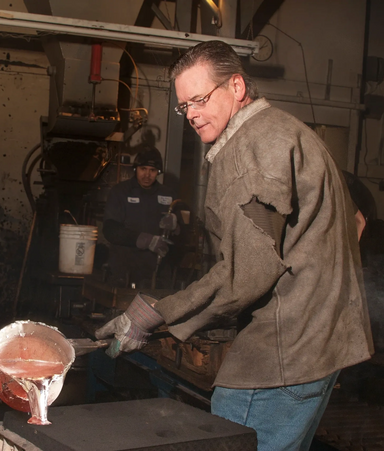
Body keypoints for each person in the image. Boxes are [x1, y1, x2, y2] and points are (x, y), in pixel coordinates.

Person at [96, 40, 374, 451]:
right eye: (183, 105)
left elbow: (247, 275)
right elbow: (356, 221)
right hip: (324, 348)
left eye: (200, 99)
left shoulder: (247, 151)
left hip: (279, 361)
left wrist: (153, 316)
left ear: (237, 87)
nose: (191, 114)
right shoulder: (291, 131)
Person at [102, 145, 179, 288]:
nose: (147, 175)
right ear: (135, 169)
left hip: (156, 272)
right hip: (124, 270)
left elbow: (180, 237)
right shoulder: (120, 192)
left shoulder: (168, 195)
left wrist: (176, 226)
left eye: (152, 171)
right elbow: (110, 230)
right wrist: (143, 240)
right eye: (143, 169)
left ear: (158, 172)